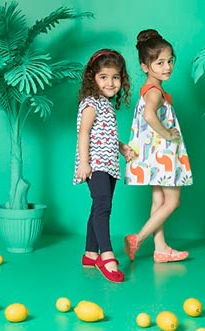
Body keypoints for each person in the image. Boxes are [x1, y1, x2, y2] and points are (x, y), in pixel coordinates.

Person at [124, 29, 193, 263]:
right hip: (163, 154)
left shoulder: (152, 90)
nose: (167, 67)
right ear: (144, 66)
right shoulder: (154, 92)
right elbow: (149, 116)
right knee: (173, 201)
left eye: (170, 61)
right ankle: (139, 238)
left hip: (153, 156)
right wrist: (168, 135)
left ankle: (161, 248)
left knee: (159, 201)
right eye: (160, 62)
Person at [73, 49, 133, 283]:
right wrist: (85, 163)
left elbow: (104, 135)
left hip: (109, 163)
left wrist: (121, 147)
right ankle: (106, 256)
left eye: (115, 77)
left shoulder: (106, 105)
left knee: (99, 206)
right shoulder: (90, 103)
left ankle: (90, 253)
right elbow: (84, 133)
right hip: (95, 163)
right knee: (103, 206)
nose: (111, 82)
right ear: (93, 78)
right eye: (104, 77)